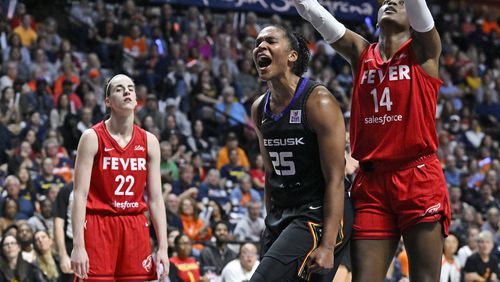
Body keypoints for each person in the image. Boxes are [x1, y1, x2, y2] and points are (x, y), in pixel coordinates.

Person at [294, 0, 451, 281]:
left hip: (417, 176)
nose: (392, 2)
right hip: (371, 183)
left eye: (400, 2)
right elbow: (312, 12)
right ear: (375, 19)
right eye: (387, 1)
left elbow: (422, 16)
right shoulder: (361, 53)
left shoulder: (424, 51)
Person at [249, 25, 352, 281]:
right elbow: (270, 174)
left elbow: (335, 179)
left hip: (316, 211)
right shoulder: (259, 108)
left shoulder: (319, 102)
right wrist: (270, 222)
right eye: (257, 43)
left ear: (292, 55)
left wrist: (328, 245)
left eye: (270, 41)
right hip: (282, 212)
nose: (260, 46)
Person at [70, 74, 169, 281]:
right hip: (99, 224)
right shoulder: (92, 137)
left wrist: (163, 247)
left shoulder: (149, 141)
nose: (127, 91)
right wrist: (78, 245)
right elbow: (79, 195)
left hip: (134, 225)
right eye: (119, 88)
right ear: (108, 101)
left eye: (131, 88)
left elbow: (156, 199)